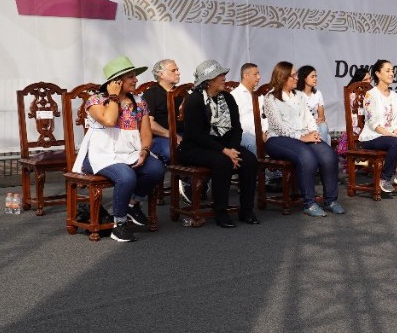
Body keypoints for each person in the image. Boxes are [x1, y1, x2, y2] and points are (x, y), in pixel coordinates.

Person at [71, 56, 167, 243]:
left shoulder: (139, 102)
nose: (136, 80)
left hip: (128, 153)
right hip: (100, 155)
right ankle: (119, 224)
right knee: (126, 176)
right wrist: (114, 96)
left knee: (157, 169)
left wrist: (146, 150)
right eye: (131, 76)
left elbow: (146, 132)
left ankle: (132, 204)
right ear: (116, 81)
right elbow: (109, 120)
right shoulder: (95, 101)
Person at [178, 60, 259, 228]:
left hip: (225, 146)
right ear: (208, 80)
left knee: (250, 160)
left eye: (223, 74)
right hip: (196, 147)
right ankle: (221, 212)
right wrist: (225, 151)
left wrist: (234, 150)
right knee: (222, 162)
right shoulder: (194, 100)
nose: (224, 78)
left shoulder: (228, 98)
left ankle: (247, 211)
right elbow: (196, 134)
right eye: (220, 75)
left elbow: (237, 128)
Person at [263, 61, 344, 217]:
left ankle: (331, 200)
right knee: (307, 157)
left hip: (302, 137)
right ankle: (309, 203)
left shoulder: (299, 95)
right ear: (282, 77)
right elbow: (278, 126)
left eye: (296, 75)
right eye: (293, 75)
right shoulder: (271, 97)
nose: (296, 78)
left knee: (329, 155)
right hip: (278, 140)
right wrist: (301, 137)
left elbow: (309, 119)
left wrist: (313, 133)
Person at [358, 59, 397, 196]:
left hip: (390, 135)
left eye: (392, 70)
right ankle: (385, 178)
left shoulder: (393, 95)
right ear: (378, 74)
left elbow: (395, 121)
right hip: (372, 136)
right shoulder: (371, 95)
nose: (391, 73)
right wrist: (393, 135)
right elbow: (372, 122)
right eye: (387, 71)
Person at [141, 58, 181, 164]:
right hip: (160, 137)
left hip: (182, 135)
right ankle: (186, 178)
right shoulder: (151, 94)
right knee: (172, 152)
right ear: (161, 74)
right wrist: (172, 135)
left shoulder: (182, 93)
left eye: (177, 70)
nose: (178, 73)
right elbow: (149, 123)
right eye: (173, 70)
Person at [229, 62, 262, 153]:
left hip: (263, 131)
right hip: (244, 133)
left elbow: (264, 116)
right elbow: (238, 123)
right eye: (255, 74)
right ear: (246, 76)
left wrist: (266, 131)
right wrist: (259, 133)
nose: (259, 77)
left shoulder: (259, 95)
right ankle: (256, 167)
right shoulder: (234, 95)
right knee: (252, 142)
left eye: (258, 74)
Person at [297, 64, 329, 145]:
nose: (315, 79)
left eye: (316, 76)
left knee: (323, 126)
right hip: (302, 125)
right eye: (312, 76)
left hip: (314, 124)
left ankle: (322, 151)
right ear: (304, 78)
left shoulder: (318, 93)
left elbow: (321, 117)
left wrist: (320, 120)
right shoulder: (297, 94)